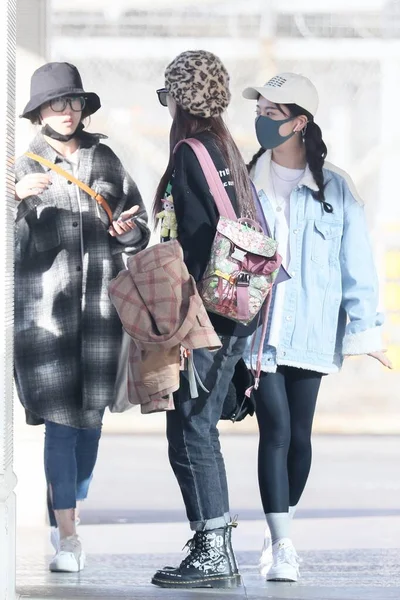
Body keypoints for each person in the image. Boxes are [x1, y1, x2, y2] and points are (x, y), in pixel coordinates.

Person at [242, 72, 392, 583]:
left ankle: (277, 522)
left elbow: (358, 266)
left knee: (301, 439)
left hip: (310, 331)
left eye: (272, 113)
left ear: (299, 122)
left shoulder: (336, 188)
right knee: (276, 430)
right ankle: (283, 546)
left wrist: (366, 333)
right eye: (259, 110)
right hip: (257, 332)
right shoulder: (244, 181)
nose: (261, 120)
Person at [15, 62, 150, 573]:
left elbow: (139, 227)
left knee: (90, 424)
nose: (67, 112)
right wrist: (14, 201)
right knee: (61, 424)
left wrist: (127, 233)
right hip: (44, 315)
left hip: (100, 311)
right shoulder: (22, 168)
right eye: (56, 103)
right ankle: (67, 535)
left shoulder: (106, 158)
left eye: (73, 103)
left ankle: (68, 507)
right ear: (39, 112)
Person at [151, 50, 257, 589]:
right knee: (191, 426)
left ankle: (215, 550)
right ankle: (209, 543)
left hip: (208, 313)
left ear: (180, 99)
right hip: (238, 310)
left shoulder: (193, 152)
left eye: (166, 95)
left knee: (192, 428)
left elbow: (196, 243)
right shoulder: (226, 149)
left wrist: (187, 330)